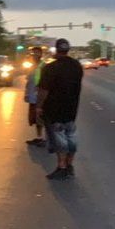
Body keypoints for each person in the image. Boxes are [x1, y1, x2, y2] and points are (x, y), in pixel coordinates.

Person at [36, 38, 83, 180]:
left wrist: (38, 107)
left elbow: (43, 90)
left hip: (54, 108)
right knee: (71, 136)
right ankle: (70, 166)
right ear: (68, 50)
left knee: (59, 137)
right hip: (72, 107)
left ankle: (61, 166)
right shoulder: (77, 66)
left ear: (56, 50)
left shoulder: (50, 68)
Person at [24, 47, 46, 147]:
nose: (35, 55)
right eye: (33, 53)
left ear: (41, 55)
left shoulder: (43, 66)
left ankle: (46, 138)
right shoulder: (31, 66)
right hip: (32, 96)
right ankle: (39, 137)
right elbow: (29, 81)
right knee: (34, 119)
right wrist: (26, 94)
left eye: (37, 53)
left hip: (41, 97)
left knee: (41, 118)